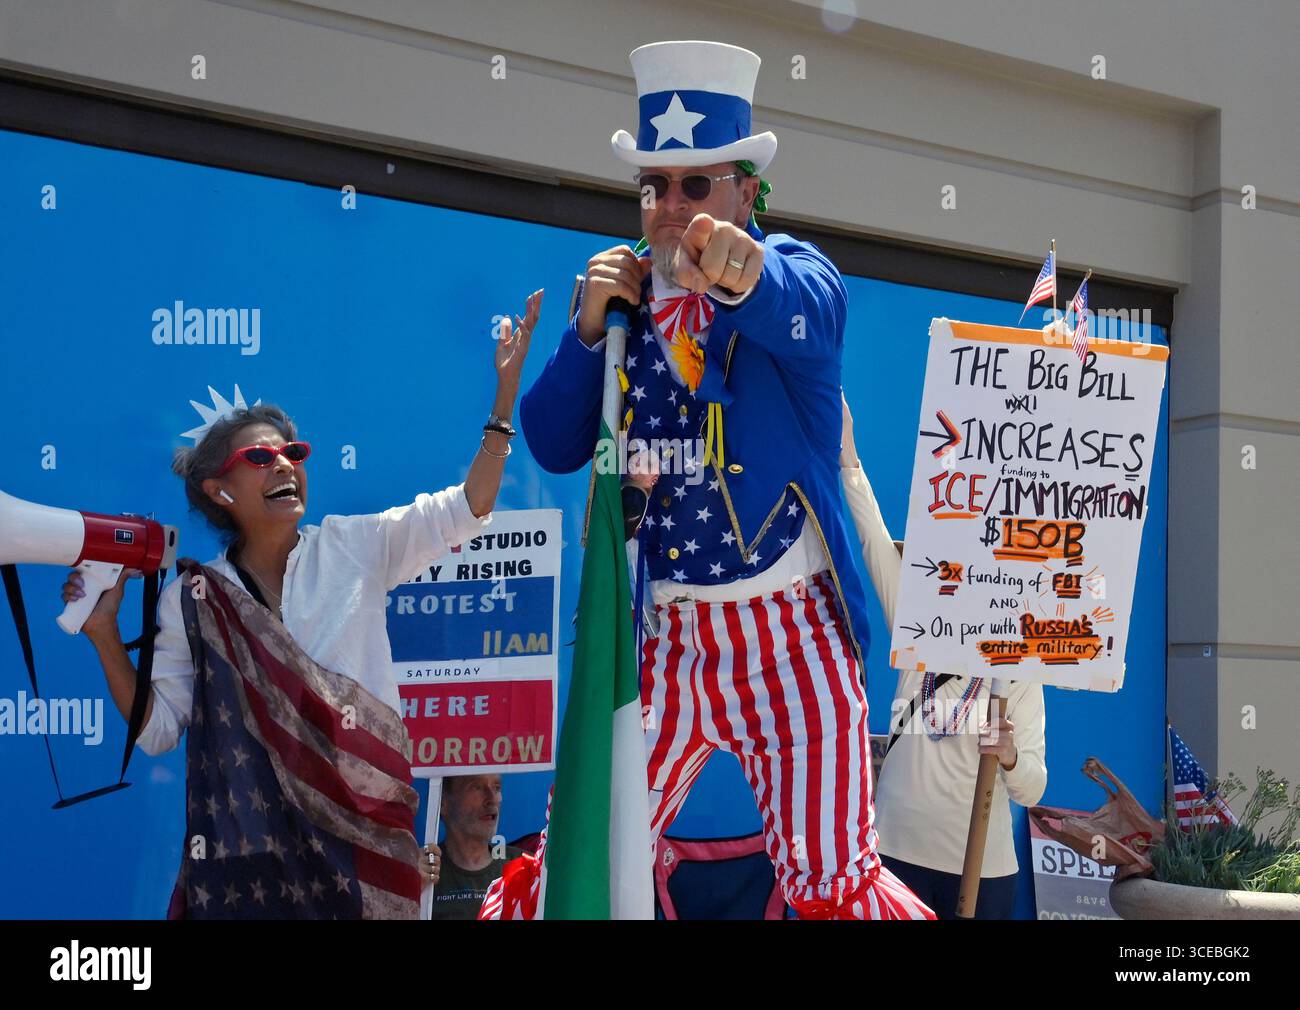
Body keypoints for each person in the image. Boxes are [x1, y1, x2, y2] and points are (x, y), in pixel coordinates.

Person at [519, 40, 931, 920]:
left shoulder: (794, 276)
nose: (672, 208)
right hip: (665, 637)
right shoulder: (620, 305)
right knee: (577, 855)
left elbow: (809, 314)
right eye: (654, 188)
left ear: (746, 191)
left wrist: (744, 272)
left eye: (695, 186)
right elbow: (555, 444)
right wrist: (587, 332)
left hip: (793, 637)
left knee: (832, 882)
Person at [62, 290, 542, 919]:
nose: (284, 464)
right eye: (259, 458)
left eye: (293, 453)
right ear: (219, 490)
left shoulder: (354, 545)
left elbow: (468, 508)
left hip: (364, 861)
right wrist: (103, 632)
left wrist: (503, 402)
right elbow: (155, 731)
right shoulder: (196, 598)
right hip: (251, 873)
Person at [838, 393, 1047, 919]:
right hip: (894, 856)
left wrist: (1011, 755)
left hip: (981, 871)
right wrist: (848, 457)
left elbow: (1034, 786)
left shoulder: (1016, 662)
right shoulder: (917, 624)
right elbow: (873, 542)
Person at [430, 774, 523, 920]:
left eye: (497, 788)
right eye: (476, 787)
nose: (492, 798)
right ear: (443, 803)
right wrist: (410, 885)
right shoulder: (423, 871)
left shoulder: (524, 867)